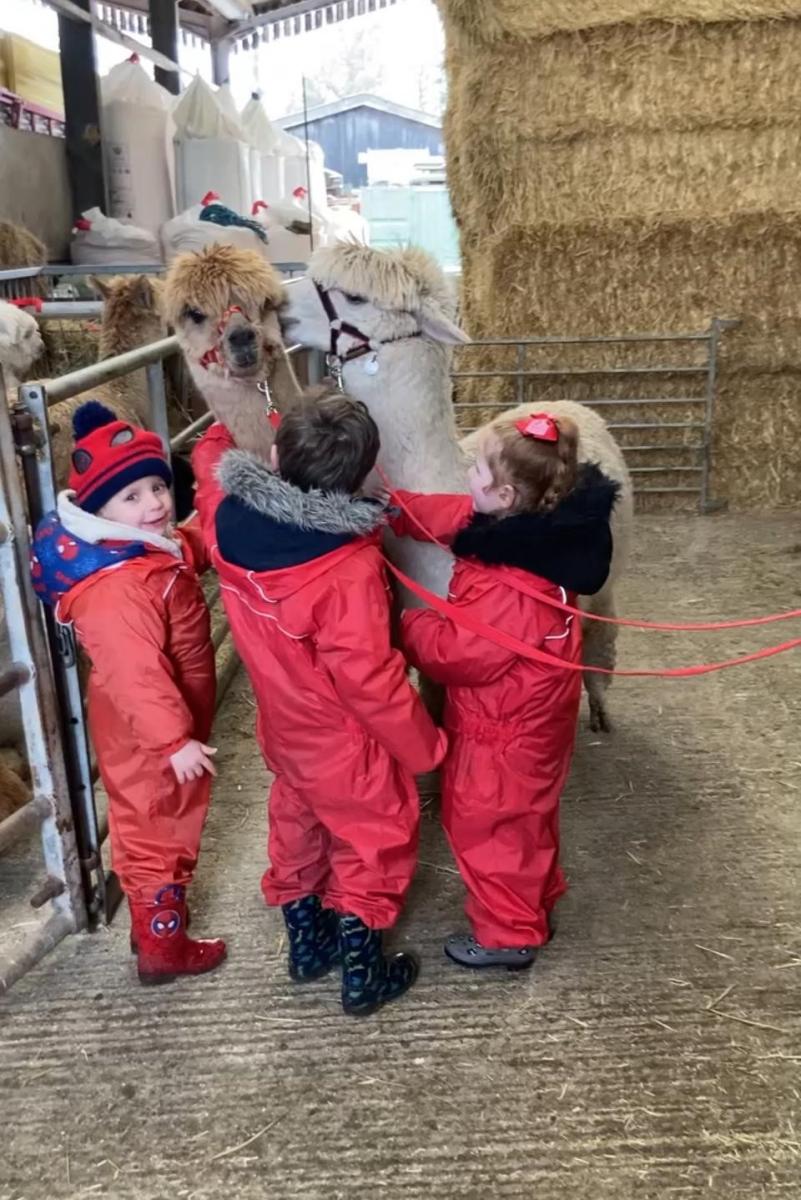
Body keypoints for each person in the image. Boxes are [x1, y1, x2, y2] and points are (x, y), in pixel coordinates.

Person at [191, 385, 447, 1016]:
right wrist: (425, 746)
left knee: (297, 824)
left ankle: (307, 947)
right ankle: (363, 975)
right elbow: (370, 680)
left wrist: (227, 427)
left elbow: (208, 470)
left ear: (276, 456)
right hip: (344, 741)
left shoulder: (224, 521)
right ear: (362, 476)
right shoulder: (348, 570)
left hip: (284, 727)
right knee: (375, 838)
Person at [386, 412, 619, 970]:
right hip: (534, 725)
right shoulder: (537, 529)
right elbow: (456, 515)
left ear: (506, 495)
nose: (467, 477)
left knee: (487, 828)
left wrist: (408, 624)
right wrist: (396, 510)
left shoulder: (511, 589)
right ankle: (534, 905)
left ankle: (507, 936)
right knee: (526, 821)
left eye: (475, 470)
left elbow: (458, 655)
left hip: (501, 733)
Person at [31, 401, 225, 986]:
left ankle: (153, 923)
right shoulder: (116, 588)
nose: (155, 505)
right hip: (151, 735)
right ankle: (163, 948)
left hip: (163, 726)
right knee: (157, 826)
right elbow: (134, 673)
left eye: (157, 487)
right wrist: (173, 741)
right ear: (100, 512)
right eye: (132, 497)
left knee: (159, 819)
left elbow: (183, 548)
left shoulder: (142, 551)